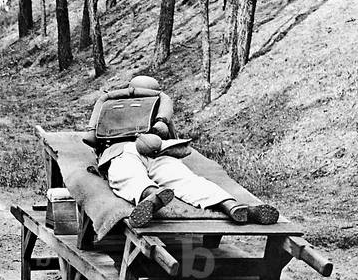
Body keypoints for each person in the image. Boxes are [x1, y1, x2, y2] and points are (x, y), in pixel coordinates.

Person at [83, 75, 279, 228]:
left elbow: (94, 140)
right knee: (187, 180)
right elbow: (171, 137)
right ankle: (231, 205)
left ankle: (151, 196)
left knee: (128, 176)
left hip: (121, 151)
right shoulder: (159, 108)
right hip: (158, 151)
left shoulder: (112, 106)